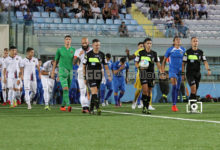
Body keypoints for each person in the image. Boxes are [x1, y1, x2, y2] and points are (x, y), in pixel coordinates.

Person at [83, 39, 111, 115]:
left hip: (99, 75)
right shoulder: (88, 54)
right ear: (92, 45)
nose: (97, 46)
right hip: (90, 74)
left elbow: (106, 66)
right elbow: (84, 66)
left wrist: (108, 75)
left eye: (98, 45)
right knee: (94, 91)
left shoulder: (102, 54)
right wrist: (84, 77)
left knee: (94, 92)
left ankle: (91, 109)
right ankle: (98, 108)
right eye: (96, 45)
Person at [135, 38, 161, 114]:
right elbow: (136, 63)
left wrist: (161, 72)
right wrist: (140, 66)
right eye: (148, 43)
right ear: (144, 44)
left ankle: (146, 107)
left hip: (151, 74)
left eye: (150, 43)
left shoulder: (154, 53)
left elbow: (158, 63)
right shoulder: (140, 53)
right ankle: (144, 107)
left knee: (149, 91)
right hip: (143, 73)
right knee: (145, 90)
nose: (149, 45)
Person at [182, 37, 211, 106]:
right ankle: (193, 106)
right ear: (191, 43)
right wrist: (183, 73)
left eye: (196, 41)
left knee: (194, 91)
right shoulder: (187, 52)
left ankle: (191, 101)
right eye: (194, 41)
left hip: (198, 74)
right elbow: (183, 64)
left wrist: (208, 69)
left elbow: (205, 62)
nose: (195, 42)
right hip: (189, 74)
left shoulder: (201, 52)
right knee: (193, 88)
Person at [51, 35, 75, 112]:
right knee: (65, 88)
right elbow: (55, 62)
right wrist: (53, 71)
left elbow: (75, 62)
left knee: (67, 90)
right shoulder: (60, 50)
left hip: (70, 72)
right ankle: (68, 105)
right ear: (64, 41)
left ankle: (62, 106)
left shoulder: (73, 50)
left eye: (69, 39)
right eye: (66, 39)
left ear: (71, 41)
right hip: (62, 71)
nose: (68, 40)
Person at [161, 36, 186, 112]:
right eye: (176, 40)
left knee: (178, 88)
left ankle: (175, 104)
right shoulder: (170, 49)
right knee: (174, 86)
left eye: (179, 40)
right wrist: (162, 71)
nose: (178, 41)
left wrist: (183, 73)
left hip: (180, 71)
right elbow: (164, 60)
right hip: (172, 70)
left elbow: (184, 62)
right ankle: (174, 105)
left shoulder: (183, 50)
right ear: (174, 41)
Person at [74, 37, 92, 113]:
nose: (84, 44)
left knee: (91, 90)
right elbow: (74, 62)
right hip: (81, 71)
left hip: (91, 72)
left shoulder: (92, 51)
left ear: (88, 43)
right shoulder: (77, 51)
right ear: (81, 43)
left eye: (86, 43)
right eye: (83, 43)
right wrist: (78, 55)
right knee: (82, 90)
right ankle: (84, 107)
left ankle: (87, 105)